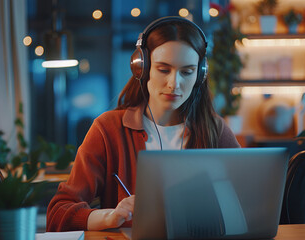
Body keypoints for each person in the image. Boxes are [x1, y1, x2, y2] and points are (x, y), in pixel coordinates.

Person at [46, 16, 241, 232]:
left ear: (199, 75)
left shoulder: (215, 130)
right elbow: (58, 213)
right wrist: (111, 217)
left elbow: (249, 208)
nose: (174, 84)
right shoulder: (108, 129)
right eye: (164, 69)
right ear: (143, 68)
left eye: (187, 72)